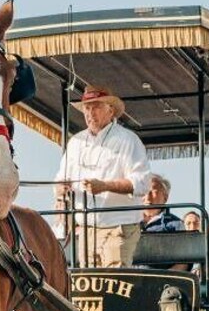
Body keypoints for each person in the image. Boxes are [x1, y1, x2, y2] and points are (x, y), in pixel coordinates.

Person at [55, 86, 151, 267]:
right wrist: (60, 190)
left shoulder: (128, 140)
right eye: (87, 108)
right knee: (89, 287)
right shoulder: (75, 142)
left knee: (114, 286)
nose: (90, 113)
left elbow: (142, 183)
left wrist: (105, 186)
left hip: (118, 227)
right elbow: (60, 179)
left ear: (111, 110)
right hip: (85, 230)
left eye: (96, 107)